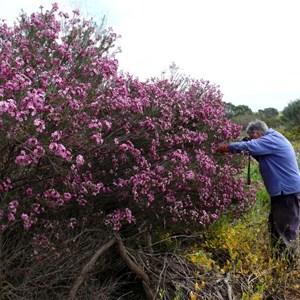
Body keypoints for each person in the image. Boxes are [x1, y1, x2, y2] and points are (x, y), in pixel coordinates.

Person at [217, 119, 300, 260]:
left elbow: (250, 147)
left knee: (286, 230)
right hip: (284, 192)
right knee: (275, 227)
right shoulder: (272, 139)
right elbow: (255, 150)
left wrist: (226, 147)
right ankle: (278, 260)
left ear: (258, 133)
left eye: (251, 137)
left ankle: (287, 265)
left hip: (286, 192)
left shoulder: (271, 139)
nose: (251, 139)